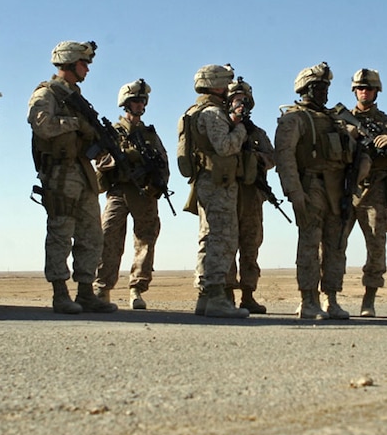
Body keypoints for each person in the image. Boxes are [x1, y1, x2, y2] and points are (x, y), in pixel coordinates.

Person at [27, 40, 118, 315]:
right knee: (60, 233)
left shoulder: (76, 99)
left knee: (92, 234)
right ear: (69, 62)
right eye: (84, 63)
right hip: (60, 173)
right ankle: (60, 294)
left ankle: (86, 292)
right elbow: (41, 124)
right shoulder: (47, 94)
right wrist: (77, 124)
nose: (88, 69)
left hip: (83, 173)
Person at [274, 62, 355, 319]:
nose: (325, 92)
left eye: (326, 87)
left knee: (336, 244)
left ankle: (331, 298)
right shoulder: (294, 118)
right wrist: (295, 193)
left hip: (337, 188)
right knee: (309, 243)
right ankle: (309, 299)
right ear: (306, 89)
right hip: (311, 186)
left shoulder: (336, 119)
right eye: (319, 87)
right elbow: (285, 158)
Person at [341, 68, 387, 317]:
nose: (364, 92)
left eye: (369, 88)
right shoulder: (340, 120)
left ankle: (368, 300)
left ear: (376, 92)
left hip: (376, 191)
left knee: (376, 246)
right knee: (332, 244)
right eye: (360, 88)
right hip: (345, 189)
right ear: (354, 91)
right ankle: (326, 296)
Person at [178, 64, 250, 319]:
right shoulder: (212, 113)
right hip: (218, 184)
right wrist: (239, 126)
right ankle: (217, 298)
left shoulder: (196, 110)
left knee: (208, 239)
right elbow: (225, 146)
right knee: (223, 238)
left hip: (207, 182)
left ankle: (205, 298)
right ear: (216, 84)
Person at [92, 79, 169, 310]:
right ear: (126, 104)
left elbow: (163, 162)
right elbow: (98, 158)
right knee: (108, 237)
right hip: (118, 191)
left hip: (144, 193)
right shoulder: (111, 133)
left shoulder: (149, 134)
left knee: (145, 240)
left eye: (142, 101)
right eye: (135, 101)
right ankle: (102, 288)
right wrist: (115, 161)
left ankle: (137, 289)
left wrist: (158, 183)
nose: (139, 105)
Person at [226, 76, 275, 314]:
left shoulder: (257, 133)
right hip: (229, 193)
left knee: (251, 244)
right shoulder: (224, 128)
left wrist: (255, 161)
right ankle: (225, 295)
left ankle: (248, 294)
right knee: (227, 244)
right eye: (236, 99)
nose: (241, 104)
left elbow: (271, 158)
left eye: (244, 100)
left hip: (252, 195)